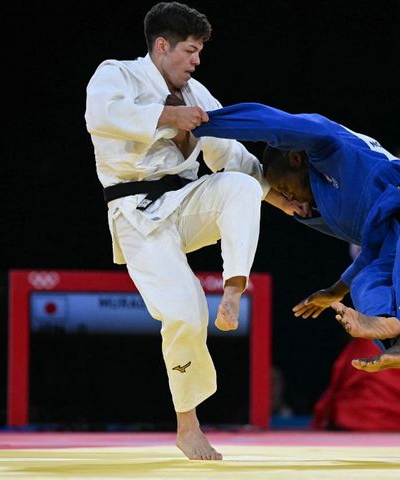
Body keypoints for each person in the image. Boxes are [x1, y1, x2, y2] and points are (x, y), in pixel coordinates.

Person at [84, 3, 301, 461]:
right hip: (136, 214)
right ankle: (188, 426)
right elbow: (101, 116)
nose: (196, 60)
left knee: (239, 184)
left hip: (184, 203)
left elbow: (231, 155)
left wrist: (279, 199)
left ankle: (234, 288)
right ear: (162, 47)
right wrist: (168, 117)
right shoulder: (116, 75)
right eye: (189, 50)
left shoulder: (197, 92)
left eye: (199, 51)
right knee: (184, 314)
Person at [193, 102, 400, 373]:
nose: (288, 197)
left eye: (285, 188)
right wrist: (335, 291)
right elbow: (372, 252)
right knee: (365, 283)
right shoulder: (325, 209)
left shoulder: (330, 146)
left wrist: (201, 122)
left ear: (296, 159)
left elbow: (271, 122)